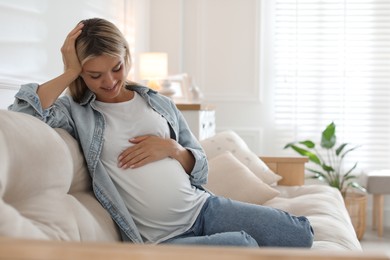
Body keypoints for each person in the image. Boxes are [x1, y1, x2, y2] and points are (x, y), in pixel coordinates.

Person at [9, 18, 314, 247]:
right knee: (243, 246)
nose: (109, 81)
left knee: (300, 235)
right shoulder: (76, 111)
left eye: (116, 67)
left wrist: (173, 150)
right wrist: (69, 72)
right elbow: (22, 115)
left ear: (125, 56)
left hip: (204, 208)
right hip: (161, 239)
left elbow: (201, 168)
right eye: (94, 74)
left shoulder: (156, 102)